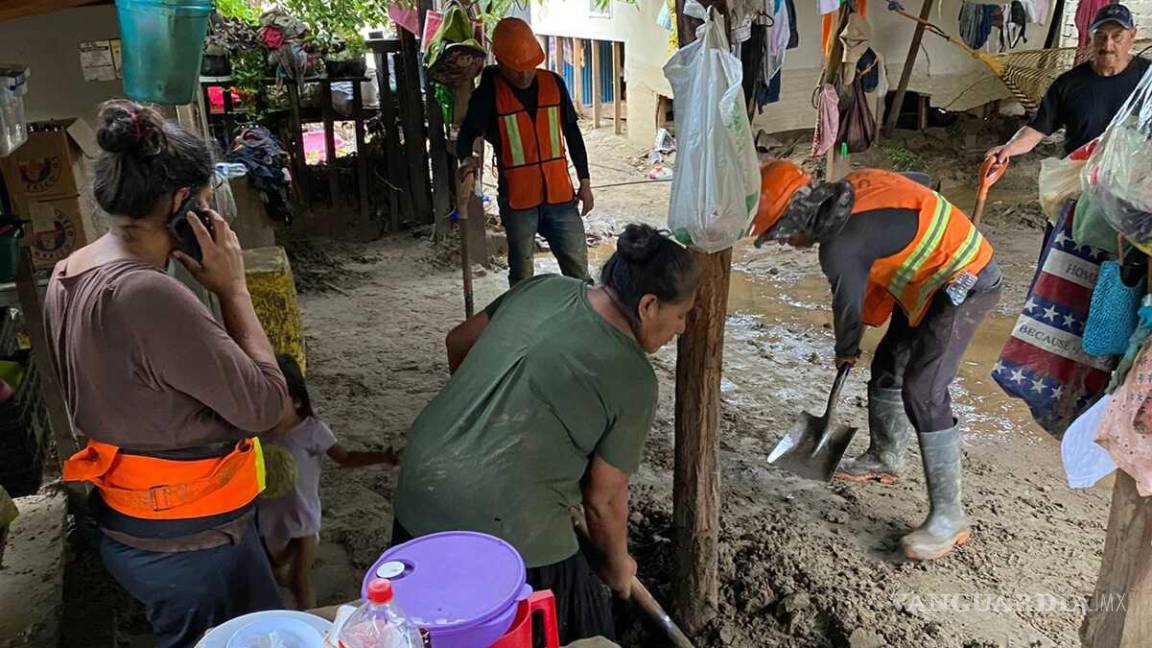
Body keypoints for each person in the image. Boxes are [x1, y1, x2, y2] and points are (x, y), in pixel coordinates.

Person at [46, 100, 291, 647]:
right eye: (207, 200)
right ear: (183, 202)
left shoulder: (71, 270)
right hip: (190, 542)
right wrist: (234, 288)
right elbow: (266, 407)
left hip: (137, 525)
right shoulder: (146, 293)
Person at [392, 224, 700, 643]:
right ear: (648, 305)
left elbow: (457, 342)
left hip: (418, 489)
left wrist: (483, 421)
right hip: (506, 526)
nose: (681, 329)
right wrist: (616, 566)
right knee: (589, 629)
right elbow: (603, 499)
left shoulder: (542, 288)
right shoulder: (634, 378)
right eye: (681, 315)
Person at [748, 161, 1002, 561]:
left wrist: (846, 349)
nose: (782, 242)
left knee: (924, 390)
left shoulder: (839, 247)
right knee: (889, 362)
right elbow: (917, 180)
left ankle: (950, 517)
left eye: (779, 234)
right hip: (928, 276)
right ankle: (886, 457)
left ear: (798, 217)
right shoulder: (851, 186)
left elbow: (847, 306)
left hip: (964, 278)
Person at [456, 17, 593, 287]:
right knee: (521, 276)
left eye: (529, 67)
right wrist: (466, 160)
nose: (523, 75)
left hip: (560, 197)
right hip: (519, 201)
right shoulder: (489, 94)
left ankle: (583, 321)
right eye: (516, 68)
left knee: (579, 274)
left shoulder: (554, 84)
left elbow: (573, 135)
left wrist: (585, 183)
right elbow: (466, 134)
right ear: (501, 62)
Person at [258, 354, 398, 610]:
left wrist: (380, 457)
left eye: (277, 401)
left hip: (303, 519)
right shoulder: (256, 432)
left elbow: (345, 458)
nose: (268, 408)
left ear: (298, 401)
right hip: (267, 517)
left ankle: (309, 622)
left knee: (299, 580)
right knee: (274, 573)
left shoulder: (312, 431)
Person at [986, 4, 1147, 164]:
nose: (1107, 45)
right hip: (1080, 178)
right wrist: (1009, 147)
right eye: (1101, 36)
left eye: (1117, 36)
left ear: (1132, 35)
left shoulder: (1148, 79)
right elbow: (1037, 128)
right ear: (1091, 37)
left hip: (1135, 181)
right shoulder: (1068, 84)